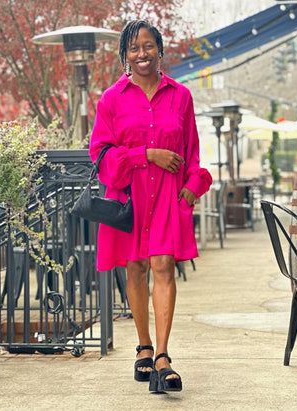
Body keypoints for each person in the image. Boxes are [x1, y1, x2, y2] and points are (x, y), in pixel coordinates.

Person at [89, 20, 212, 393]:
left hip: (168, 197)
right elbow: (100, 154)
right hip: (128, 195)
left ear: (160, 50)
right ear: (125, 56)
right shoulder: (112, 98)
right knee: (136, 266)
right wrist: (147, 155)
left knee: (163, 265)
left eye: (148, 46)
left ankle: (162, 356)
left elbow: (191, 150)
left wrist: (190, 192)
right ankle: (143, 345)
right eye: (133, 48)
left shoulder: (181, 96)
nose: (141, 54)